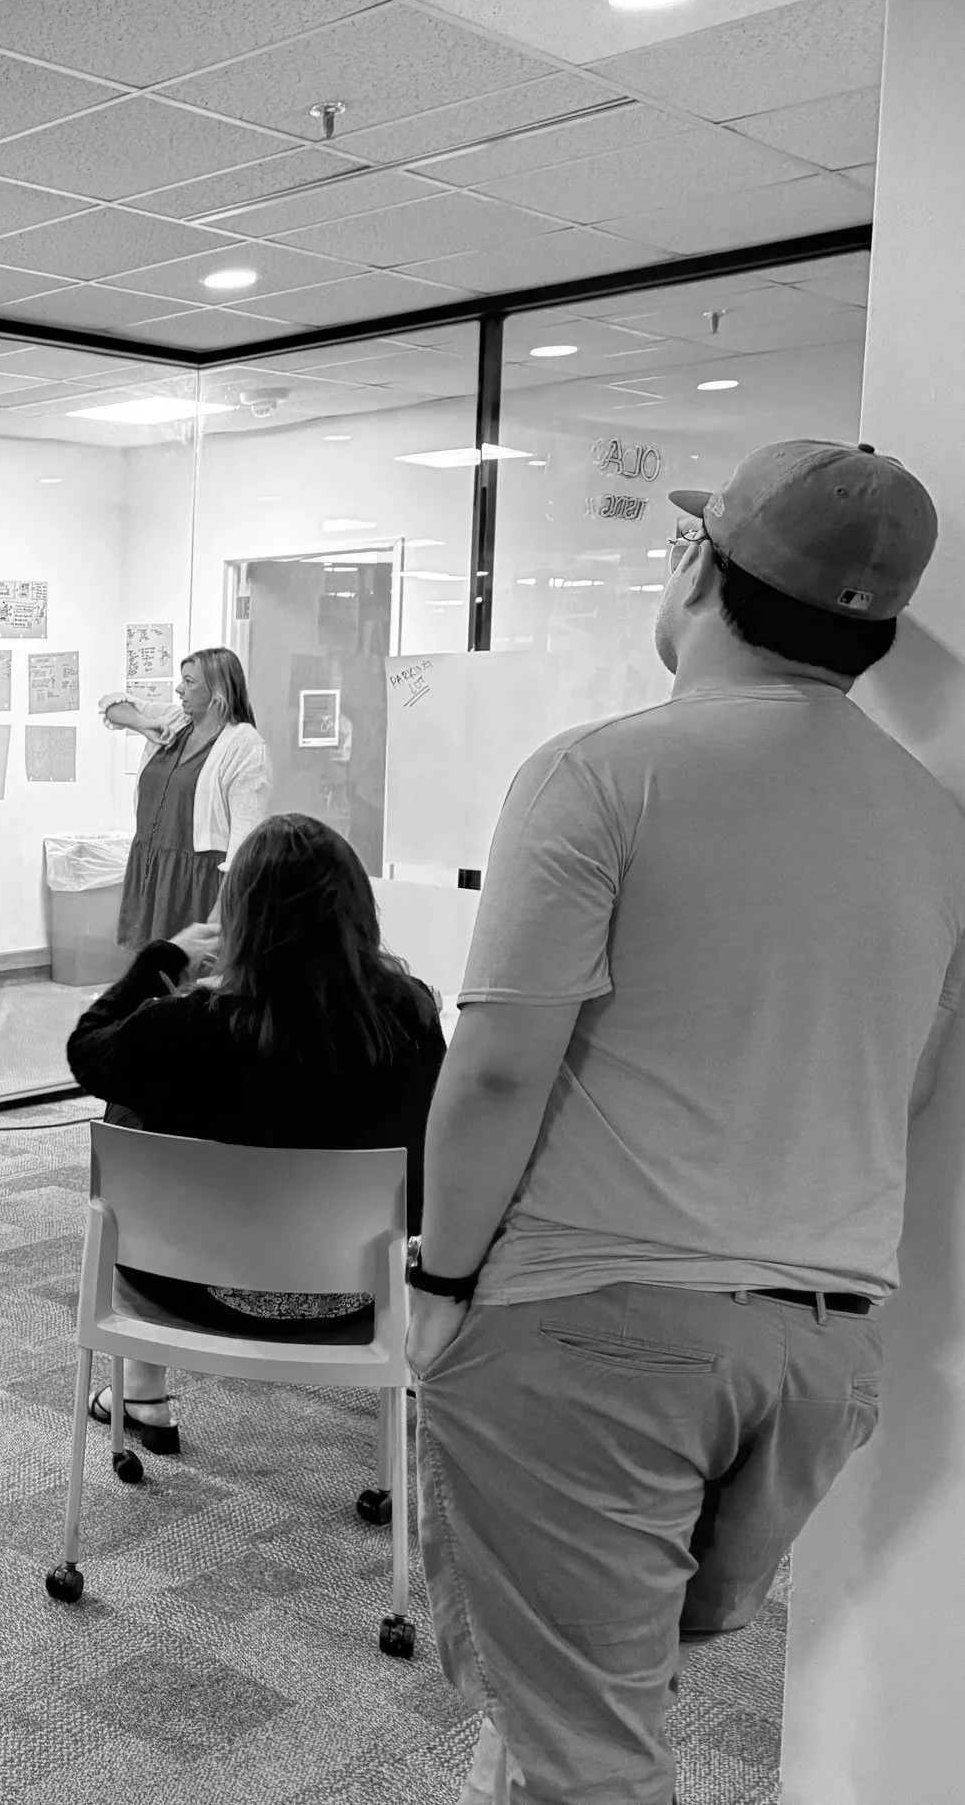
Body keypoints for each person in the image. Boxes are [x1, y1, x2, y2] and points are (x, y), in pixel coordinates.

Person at [407, 441, 965, 1805]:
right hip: (818, 1349)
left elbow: (492, 1071)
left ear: (696, 569)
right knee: (597, 1693)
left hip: (592, 1328)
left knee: (588, 1754)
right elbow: (912, 1078)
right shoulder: (942, 821)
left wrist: (437, 1282)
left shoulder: (601, 772)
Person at [67, 813, 444, 1450]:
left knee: (131, 1108)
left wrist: (165, 958)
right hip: (355, 1292)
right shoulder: (411, 1013)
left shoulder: (188, 1025)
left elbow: (87, 1050)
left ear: (240, 916)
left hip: (189, 1285)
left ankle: (141, 1388)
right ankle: (404, 1372)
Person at [98, 646, 270, 947]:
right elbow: (110, 705)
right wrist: (145, 724)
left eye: (189, 682)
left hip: (198, 877)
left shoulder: (244, 743)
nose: (179, 689)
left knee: (187, 972)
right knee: (151, 965)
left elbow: (245, 838)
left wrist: (222, 908)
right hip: (152, 862)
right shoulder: (176, 720)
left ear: (217, 690)